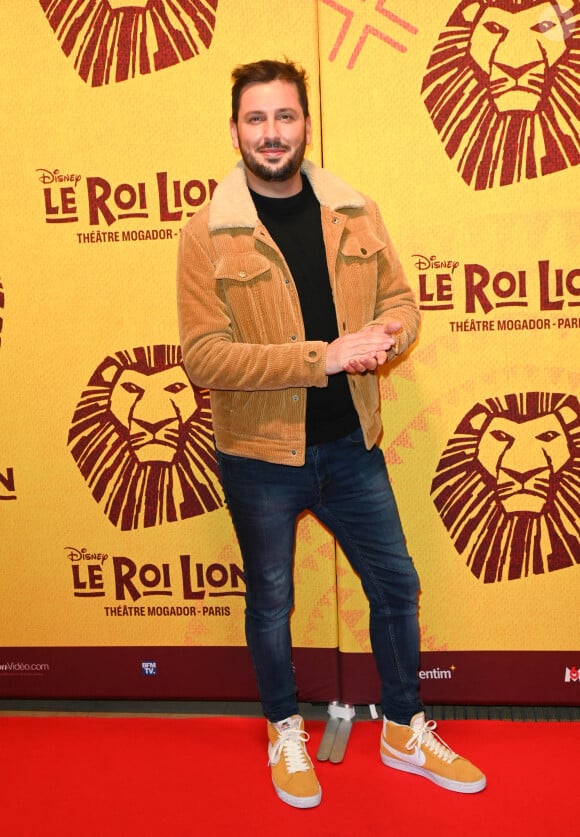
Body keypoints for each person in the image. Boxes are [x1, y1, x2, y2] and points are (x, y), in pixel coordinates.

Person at [177, 58, 486, 809]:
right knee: (272, 601)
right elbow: (201, 357)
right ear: (234, 130)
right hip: (259, 456)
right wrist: (325, 355)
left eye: (285, 116)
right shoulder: (206, 233)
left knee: (397, 585)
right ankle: (286, 727)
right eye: (257, 118)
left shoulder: (354, 209)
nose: (272, 132)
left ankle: (405, 726)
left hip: (353, 444)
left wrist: (390, 329)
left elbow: (403, 301)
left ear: (305, 124)